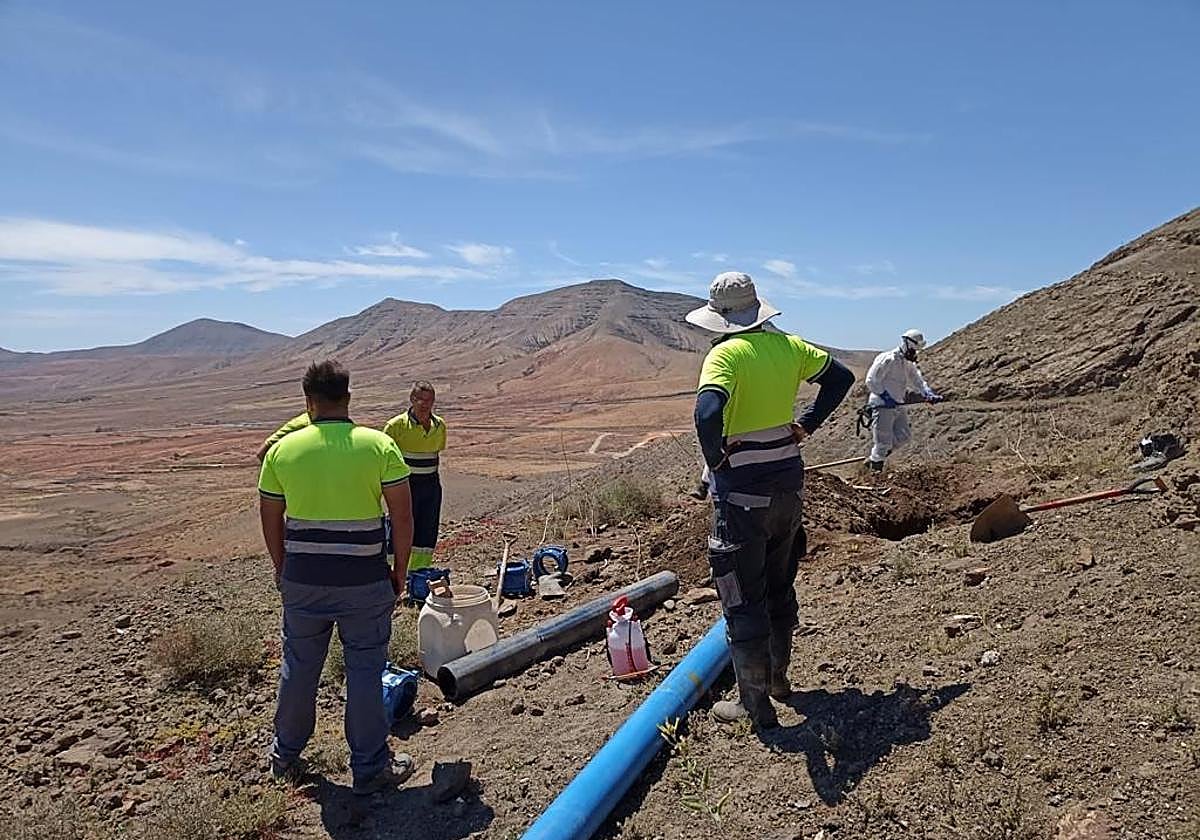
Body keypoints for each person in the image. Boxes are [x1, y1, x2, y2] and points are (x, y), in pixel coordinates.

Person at [686, 272, 854, 731]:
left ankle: (754, 705)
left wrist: (716, 457)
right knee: (780, 587)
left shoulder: (726, 354)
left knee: (743, 599)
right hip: (788, 488)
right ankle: (779, 679)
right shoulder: (791, 347)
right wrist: (808, 422)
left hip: (742, 497)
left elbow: (706, 412)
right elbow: (841, 377)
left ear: (720, 317)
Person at [258, 360, 416, 795]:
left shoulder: (282, 450)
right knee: (365, 670)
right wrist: (399, 571)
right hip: (365, 581)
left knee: (298, 667)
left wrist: (281, 567)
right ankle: (369, 769)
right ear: (348, 398)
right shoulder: (378, 445)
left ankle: (284, 757)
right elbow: (403, 519)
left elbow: (270, 518)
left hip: (302, 580)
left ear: (308, 401)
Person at [382, 382, 446, 572]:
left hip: (431, 485)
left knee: (427, 528)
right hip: (405, 485)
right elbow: (383, 458)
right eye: (421, 400)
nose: (425, 404)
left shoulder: (439, 426)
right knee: (400, 526)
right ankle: (393, 572)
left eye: (429, 400)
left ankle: (419, 573)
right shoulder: (396, 426)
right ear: (412, 399)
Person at [863, 329, 943, 472]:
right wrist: (884, 396)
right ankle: (874, 473)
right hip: (882, 405)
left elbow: (917, 380)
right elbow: (871, 380)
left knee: (904, 436)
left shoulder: (907, 363)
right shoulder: (888, 358)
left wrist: (927, 393)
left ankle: (875, 457)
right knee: (883, 442)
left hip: (897, 404)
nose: (915, 352)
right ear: (906, 343)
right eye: (914, 349)